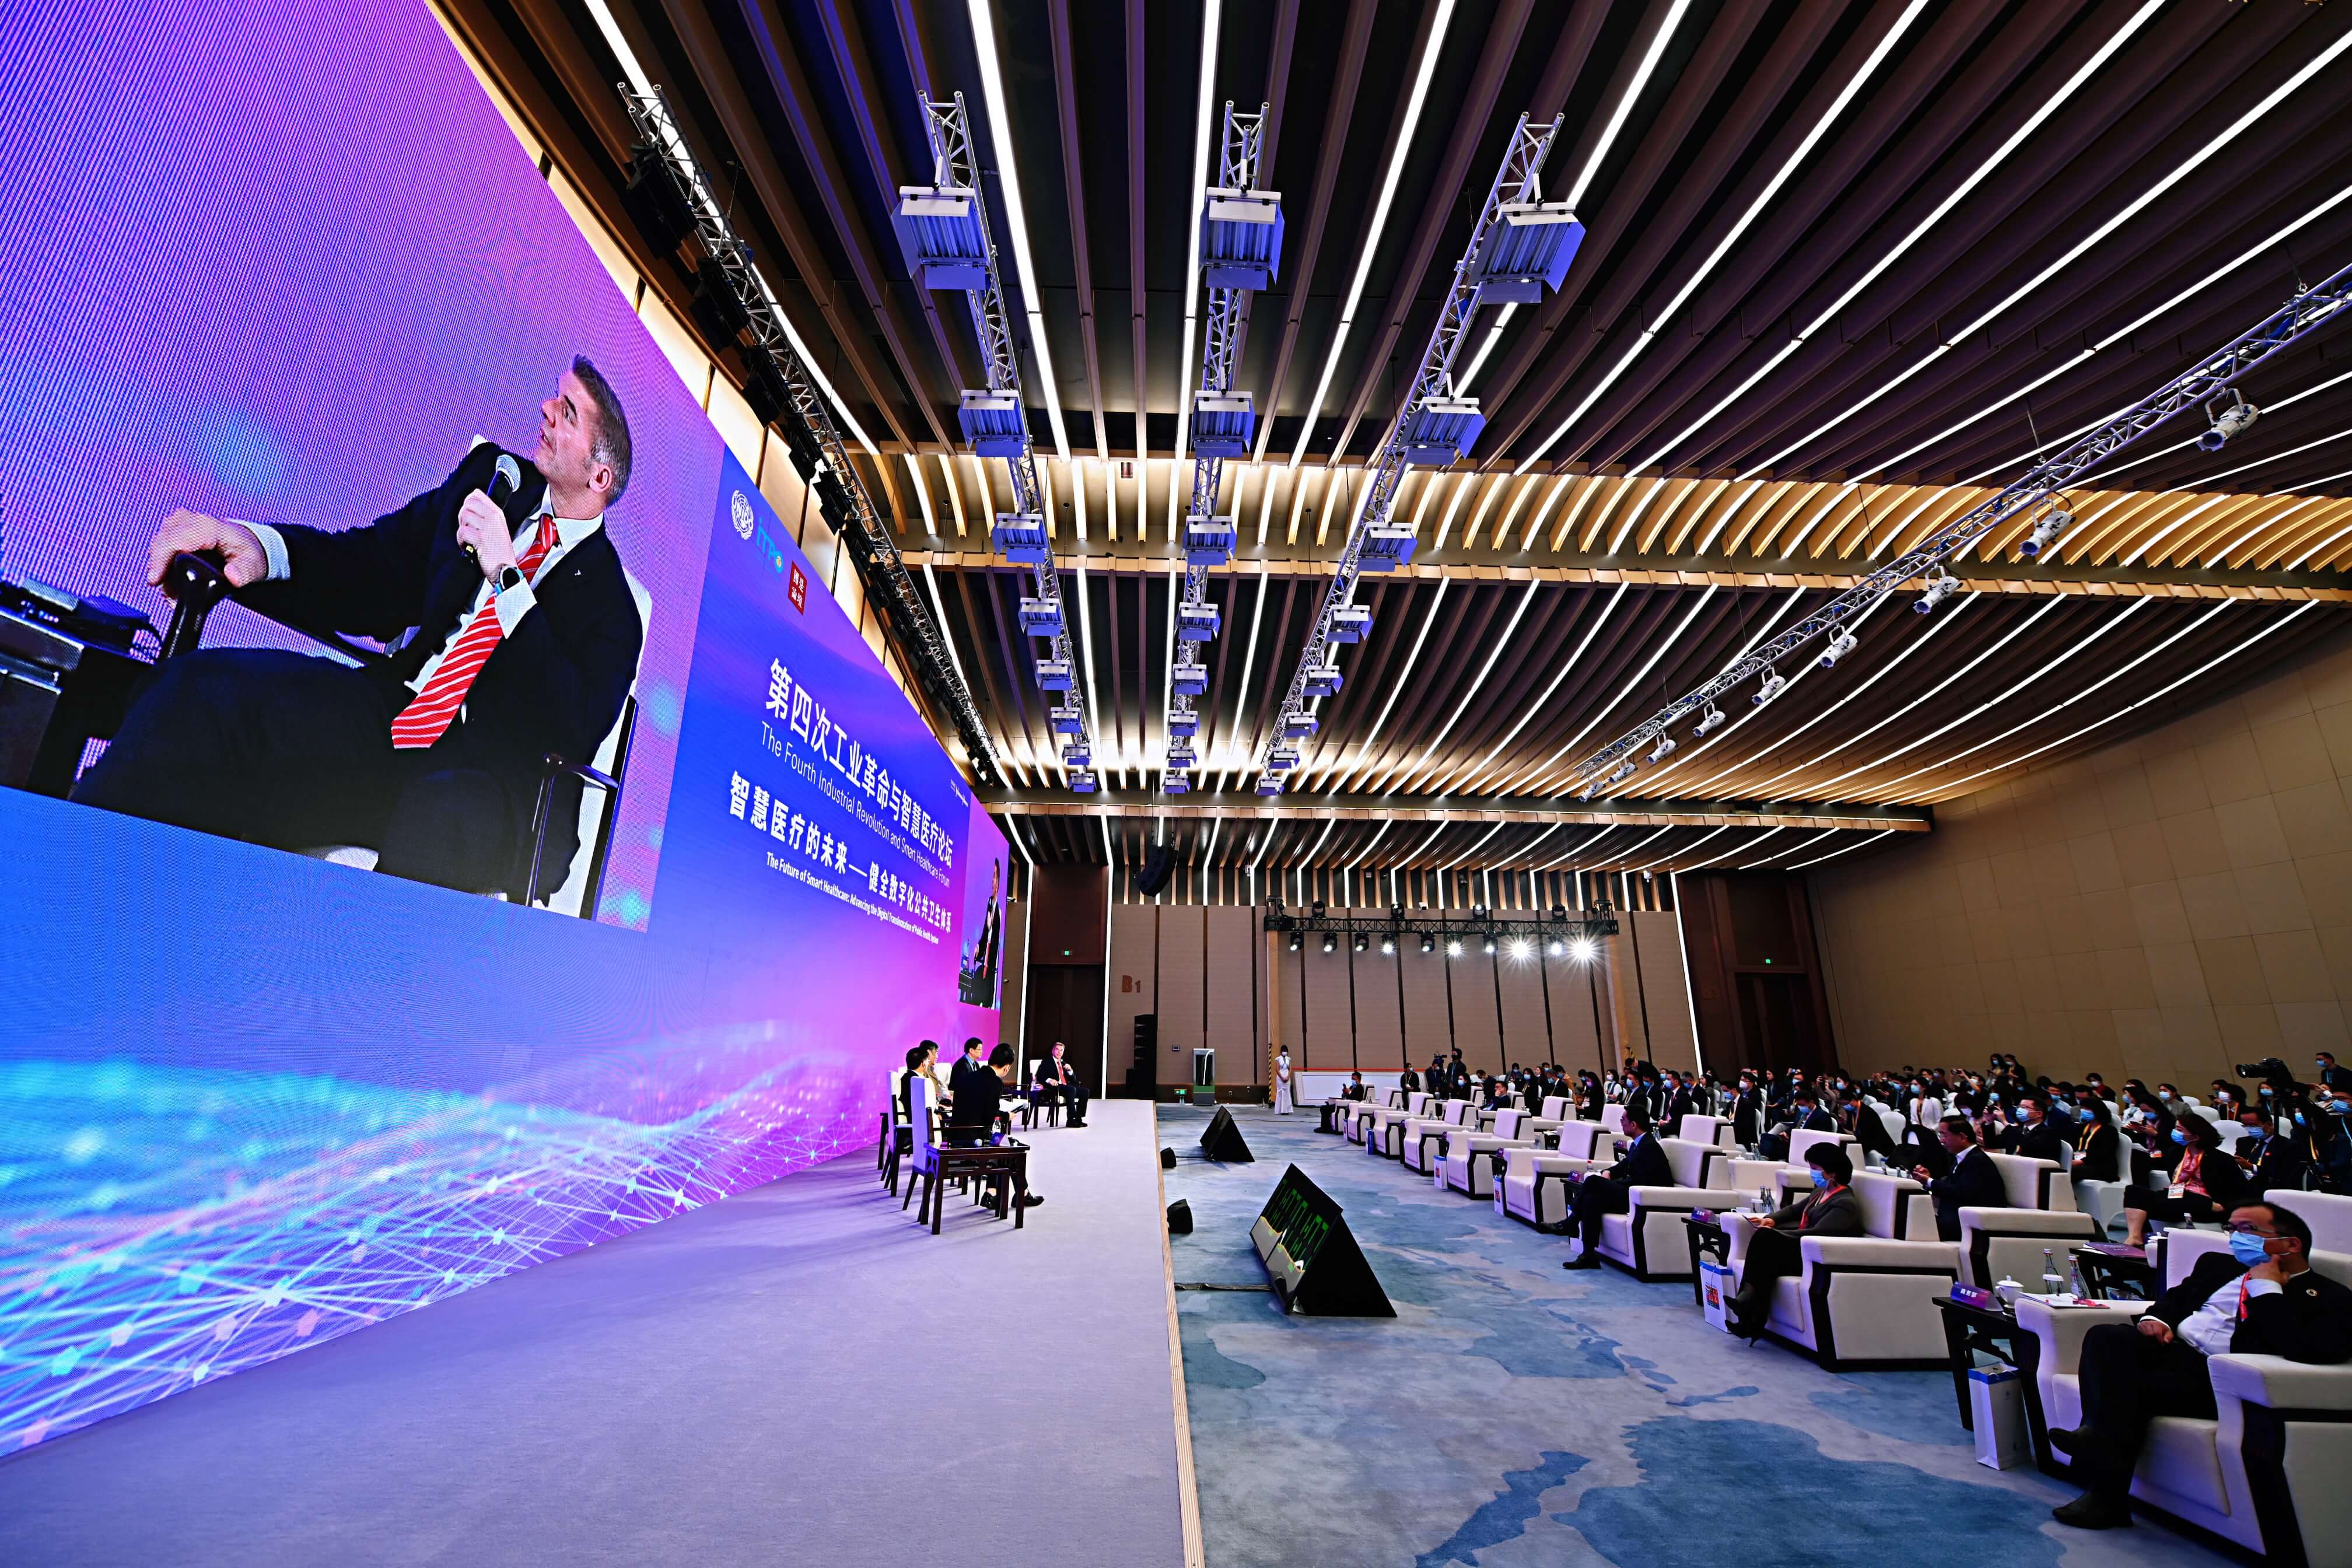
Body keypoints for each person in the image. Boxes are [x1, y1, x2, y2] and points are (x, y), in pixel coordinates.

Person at [74, 360, 643, 900]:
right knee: (202, 690)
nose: (546, 409)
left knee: (439, 818)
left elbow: (570, 725)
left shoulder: (613, 609)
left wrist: (507, 577)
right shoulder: (493, 481)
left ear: (600, 476)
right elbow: (377, 566)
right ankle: (74, 883)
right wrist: (265, 549)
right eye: (556, 397)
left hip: (495, 781)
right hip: (392, 719)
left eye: (568, 413)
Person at [2048, 1202, 2352, 1529]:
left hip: (2224, 1382)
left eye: (2248, 1229)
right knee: (2107, 1339)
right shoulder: (2217, 1265)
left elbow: (2309, 1349)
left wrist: (2267, 1289)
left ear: (2291, 1244)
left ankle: (2100, 1469)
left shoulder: (2330, 1297)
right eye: (2231, 1229)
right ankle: (2101, 1471)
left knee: (2125, 1387)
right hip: (2172, 1355)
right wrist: (2156, 1320)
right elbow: (2172, 1302)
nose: (2235, 1237)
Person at [1727, 1144, 1865, 1339]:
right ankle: (1748, 1321)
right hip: (1803, 1252)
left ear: (1832, 1172)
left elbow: (1819, 1234)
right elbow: (1795, 1210)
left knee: (1765, 1240)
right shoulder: (1820, 1192)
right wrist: (1772, 1219)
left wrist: (1780, 1235)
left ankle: (1747, 1306)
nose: (1812, 1172)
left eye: (1815, 1168)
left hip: (1817, 1261)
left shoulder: (1844, 1203)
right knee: (1764, 1261)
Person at [1562, 1108, 1671, 1269]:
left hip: (1645, 1200)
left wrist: (1612, 1186)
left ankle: (1571, 1222)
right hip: (1632, 1194)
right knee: (1591, 1199)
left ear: (1633, 1125)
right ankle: (1589, 1255)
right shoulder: (1639, 1144)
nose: (1621, 1123)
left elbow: (1642, 1181)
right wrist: (1609, 1172)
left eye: (1623, 1120)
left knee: (1592, 1181)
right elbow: (1624, 1165)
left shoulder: (1649, 1147)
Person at [2121, 1111, 2247, 1246]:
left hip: (2206, 1203)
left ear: (2196, 1136)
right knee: (2133, 1191)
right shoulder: (2175, 1153)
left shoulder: (2221, 1159)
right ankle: (2136, 1237)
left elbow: (2240, 1190)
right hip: (2176, 1196)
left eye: (2180, 1130)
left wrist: (2223, 1207)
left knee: (2179, 1201)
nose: (2175, 1132)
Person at [943, 1042, 1042, 1209]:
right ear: (1007, 1068)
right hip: (975, 1140)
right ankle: (1020, 1195)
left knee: (1003, 1144)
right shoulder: (995, 1082)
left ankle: (993, 1194)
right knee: (1012, 1148)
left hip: (956, 1136)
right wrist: (1007, 1116)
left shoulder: (967, 1077)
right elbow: (991, 1117)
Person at [1915, 1113, 2006, 1242]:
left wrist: (1929, 1181)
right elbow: (1952, 1185)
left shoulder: (1977, 1161)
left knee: (1910, 1223)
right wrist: (1928, 1179)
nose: (1942, 1140)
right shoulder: (1961, 1157)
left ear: (1962, 1137)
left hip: (1969, 1225)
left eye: (1944, 1135)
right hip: (1953, 1218)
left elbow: (1960, 1193)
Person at [1035, 1040, 1088, 1128]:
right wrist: (1050, 1080)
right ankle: (1071, 1120)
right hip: (1055, 1087)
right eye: (1057, 1049)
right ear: (1053, 1051)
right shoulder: (1047, 1062)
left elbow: (1073, 1079)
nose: (1059, 1052)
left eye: (1061, 1050)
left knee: (1085, 1092)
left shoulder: (1063, 1063)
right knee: (1071, 1090)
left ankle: (1078, 1119)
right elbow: (1040, 1076)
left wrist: (1070, 1071)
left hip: (1065, 1087)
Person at [1273, 1048, 1296, 1115]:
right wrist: (1282, 1078)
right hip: (1280, 1078)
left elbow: (1290, 1069)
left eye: (1286, 1051)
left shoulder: (1289, 1059)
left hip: (1287, 1078)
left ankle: (1288, 1110)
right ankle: (1280, 1110)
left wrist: (1288, 1077)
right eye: (1283, 1051)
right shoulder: (1278, 1059)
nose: (1285, 1052)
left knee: (1287, 1093)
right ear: (1281, 1052)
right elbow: (1277, 1070)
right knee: (1280, 1093)